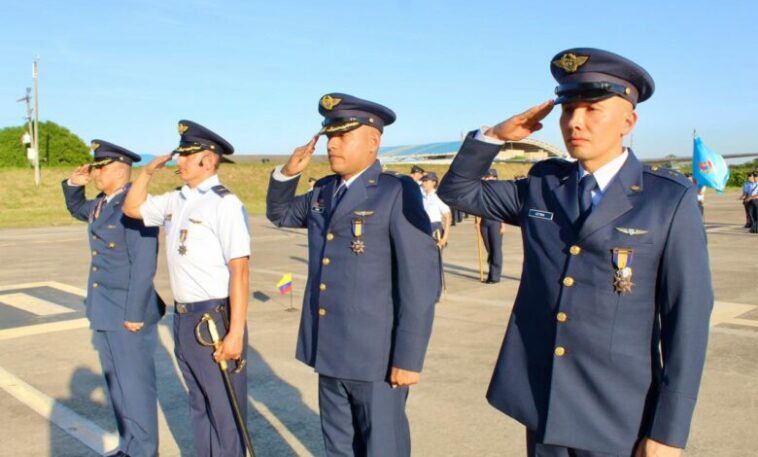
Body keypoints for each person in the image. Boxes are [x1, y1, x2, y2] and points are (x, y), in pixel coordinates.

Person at [438, 48, 714, 457]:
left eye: (592, 109)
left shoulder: (667, 199)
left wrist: (669, 432)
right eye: (568, 110)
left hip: (618, 415)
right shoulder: (544, 184)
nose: (575, 122)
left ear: (628, 121)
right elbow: (458, 191)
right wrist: (495, 136)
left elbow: (686, 319)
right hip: (544, 403)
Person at [266, 93, 440, 457]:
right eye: (330, 136)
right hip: (329, 349)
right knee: (339, 447)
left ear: (373, 142)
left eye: (343, 136)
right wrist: (287, 174)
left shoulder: (396, 191)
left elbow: (420, 282)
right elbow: (280, 215)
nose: (332, 144)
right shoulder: (324, 192)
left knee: (382, 448)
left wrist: (408, 357)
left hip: (376, 357)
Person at [122, 120, 251, 457]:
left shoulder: (225, 204)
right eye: (179, 155)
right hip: (183, 317)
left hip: (214, 318)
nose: (178, 162)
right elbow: (132, 208)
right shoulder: (176, 200)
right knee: (199, 403)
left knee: (225, 410)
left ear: (207, 160)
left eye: (186, 155)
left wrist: (235, 332)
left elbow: (240, 271)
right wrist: (147, 172)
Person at [62, 140, 164, 457]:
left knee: (134, 386)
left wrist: (134, 312)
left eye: (100, 168)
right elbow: (78, 209)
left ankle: (144, 450)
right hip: (105, 308)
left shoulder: (134, 203)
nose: (94, 174)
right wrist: (73, 186)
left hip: (126, 311)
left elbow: (145, 262)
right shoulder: (104, 203)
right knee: (117, 386)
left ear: (119, 169)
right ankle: (129, 446)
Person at [475, 168, 507, 284]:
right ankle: (491, 272)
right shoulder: (482, 190)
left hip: (496, 221)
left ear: (495, 178)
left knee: (496, 250)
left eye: (491, 177)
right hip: (484, 222)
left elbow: (503, 209)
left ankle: (494, 276)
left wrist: (503, 225)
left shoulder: (499, 191)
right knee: (489, 249)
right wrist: (477, 220)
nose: (488, 179)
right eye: (486, 177)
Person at [420, 171, 452, 247]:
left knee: (435, 255)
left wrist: (445, 238)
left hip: (434, 227)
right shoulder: (423, 197)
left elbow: (448, 217)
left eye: (426, 181)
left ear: (433, 182)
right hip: (424, 227)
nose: (423, 183)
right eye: (423, 181)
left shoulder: (438, 197)